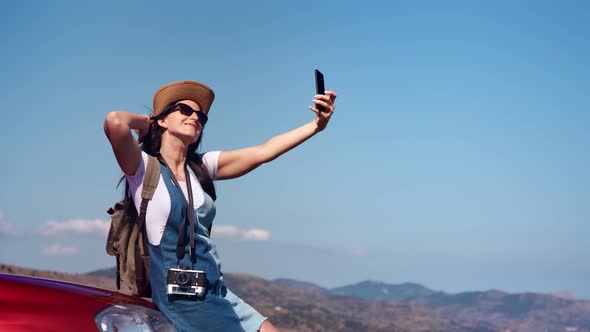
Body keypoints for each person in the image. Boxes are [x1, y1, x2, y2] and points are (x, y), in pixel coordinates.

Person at [103, 80, 336, 332]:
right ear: (162, 120)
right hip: (184, 299)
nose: (196, 117)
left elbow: (263, 151)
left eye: (201, 116)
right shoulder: (144, 168)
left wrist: (316, 126)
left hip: (216, 288)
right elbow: (114, 121)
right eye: (184, 109)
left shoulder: (200, 166)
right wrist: (144, 122)